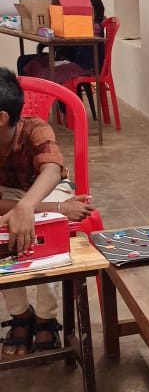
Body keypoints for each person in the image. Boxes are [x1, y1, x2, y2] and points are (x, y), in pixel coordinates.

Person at [0, 67, 82, 355]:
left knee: (46, 228)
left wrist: (29, 207)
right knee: (6, 229)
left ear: (1, 118)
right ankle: (20, 314)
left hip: (47, 189)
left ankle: (46, 317)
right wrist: (47, 208)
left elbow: (52, 171)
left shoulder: (36, 128)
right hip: (14, 198)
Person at [18, 0, 106, 81]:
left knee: (47, 72)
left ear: (95, 12)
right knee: (27, 62)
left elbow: (76, 40)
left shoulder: (94, 27)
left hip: (86, 66)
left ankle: (39, 87)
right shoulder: (82, 24)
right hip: (72, 60)